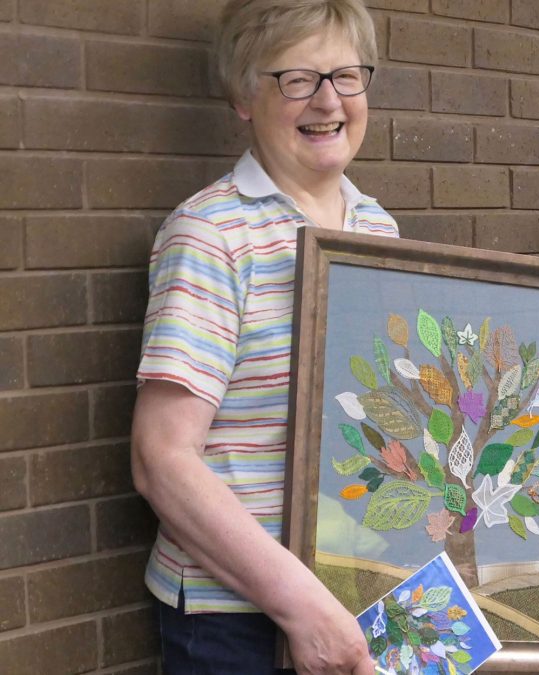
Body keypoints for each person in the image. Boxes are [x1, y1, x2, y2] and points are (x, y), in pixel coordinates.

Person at [129, 1, 397, 673]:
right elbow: (162, 457)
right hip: (236, 621)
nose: (329, 100)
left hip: (354, 591)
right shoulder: (213, 235)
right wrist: (304, 607)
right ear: (246, 96)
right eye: (297, 78)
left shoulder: (379, 230)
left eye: (346, 75)